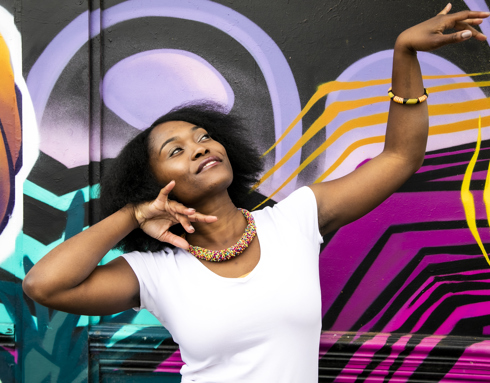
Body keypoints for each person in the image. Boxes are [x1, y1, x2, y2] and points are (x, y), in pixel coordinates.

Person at [23, 5, 489, 383]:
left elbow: (398, 158)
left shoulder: (295, 221)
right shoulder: (155, 272)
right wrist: (133, 213)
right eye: (176, 150)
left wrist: (404, 54)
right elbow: (44, 285)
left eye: (202, 135)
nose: (199, 146)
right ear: (154, 182)